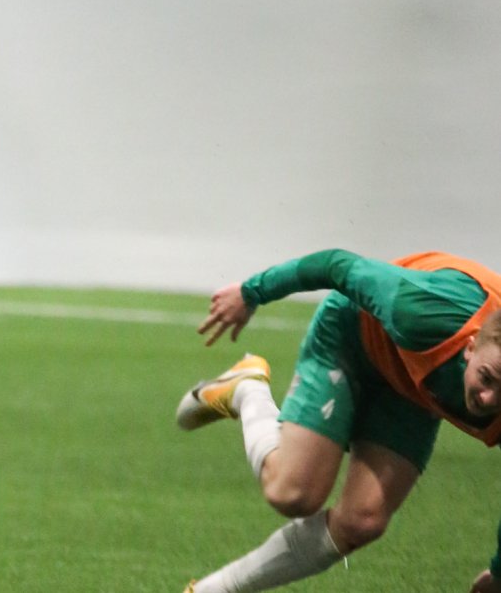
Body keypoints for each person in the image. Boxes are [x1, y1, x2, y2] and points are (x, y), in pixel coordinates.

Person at [176, 248, 501, 593]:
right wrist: (250, 292)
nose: (488, 400)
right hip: (353, 334)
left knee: (362, 521)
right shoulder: (422, 310)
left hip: (410, 383)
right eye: (487, 377)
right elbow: (337, 265)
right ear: (470, 348)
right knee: (292, 494)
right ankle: (247, 390)